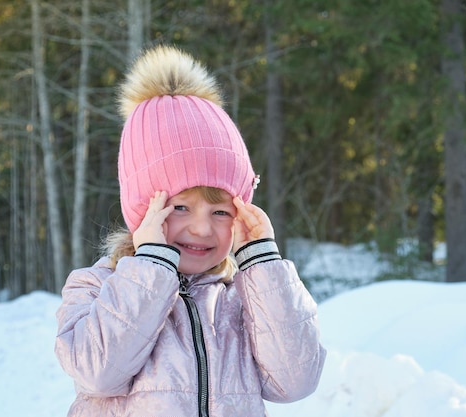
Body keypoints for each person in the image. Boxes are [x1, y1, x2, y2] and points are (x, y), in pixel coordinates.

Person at [55, 44, 326, 417]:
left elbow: (296, 381)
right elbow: (98, 373)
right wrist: (151, 267)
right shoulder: (97, 287)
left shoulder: (241, 301)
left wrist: (261, 261)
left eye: (220, 211)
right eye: (180, 207)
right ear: (143, 210)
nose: (201, 228)